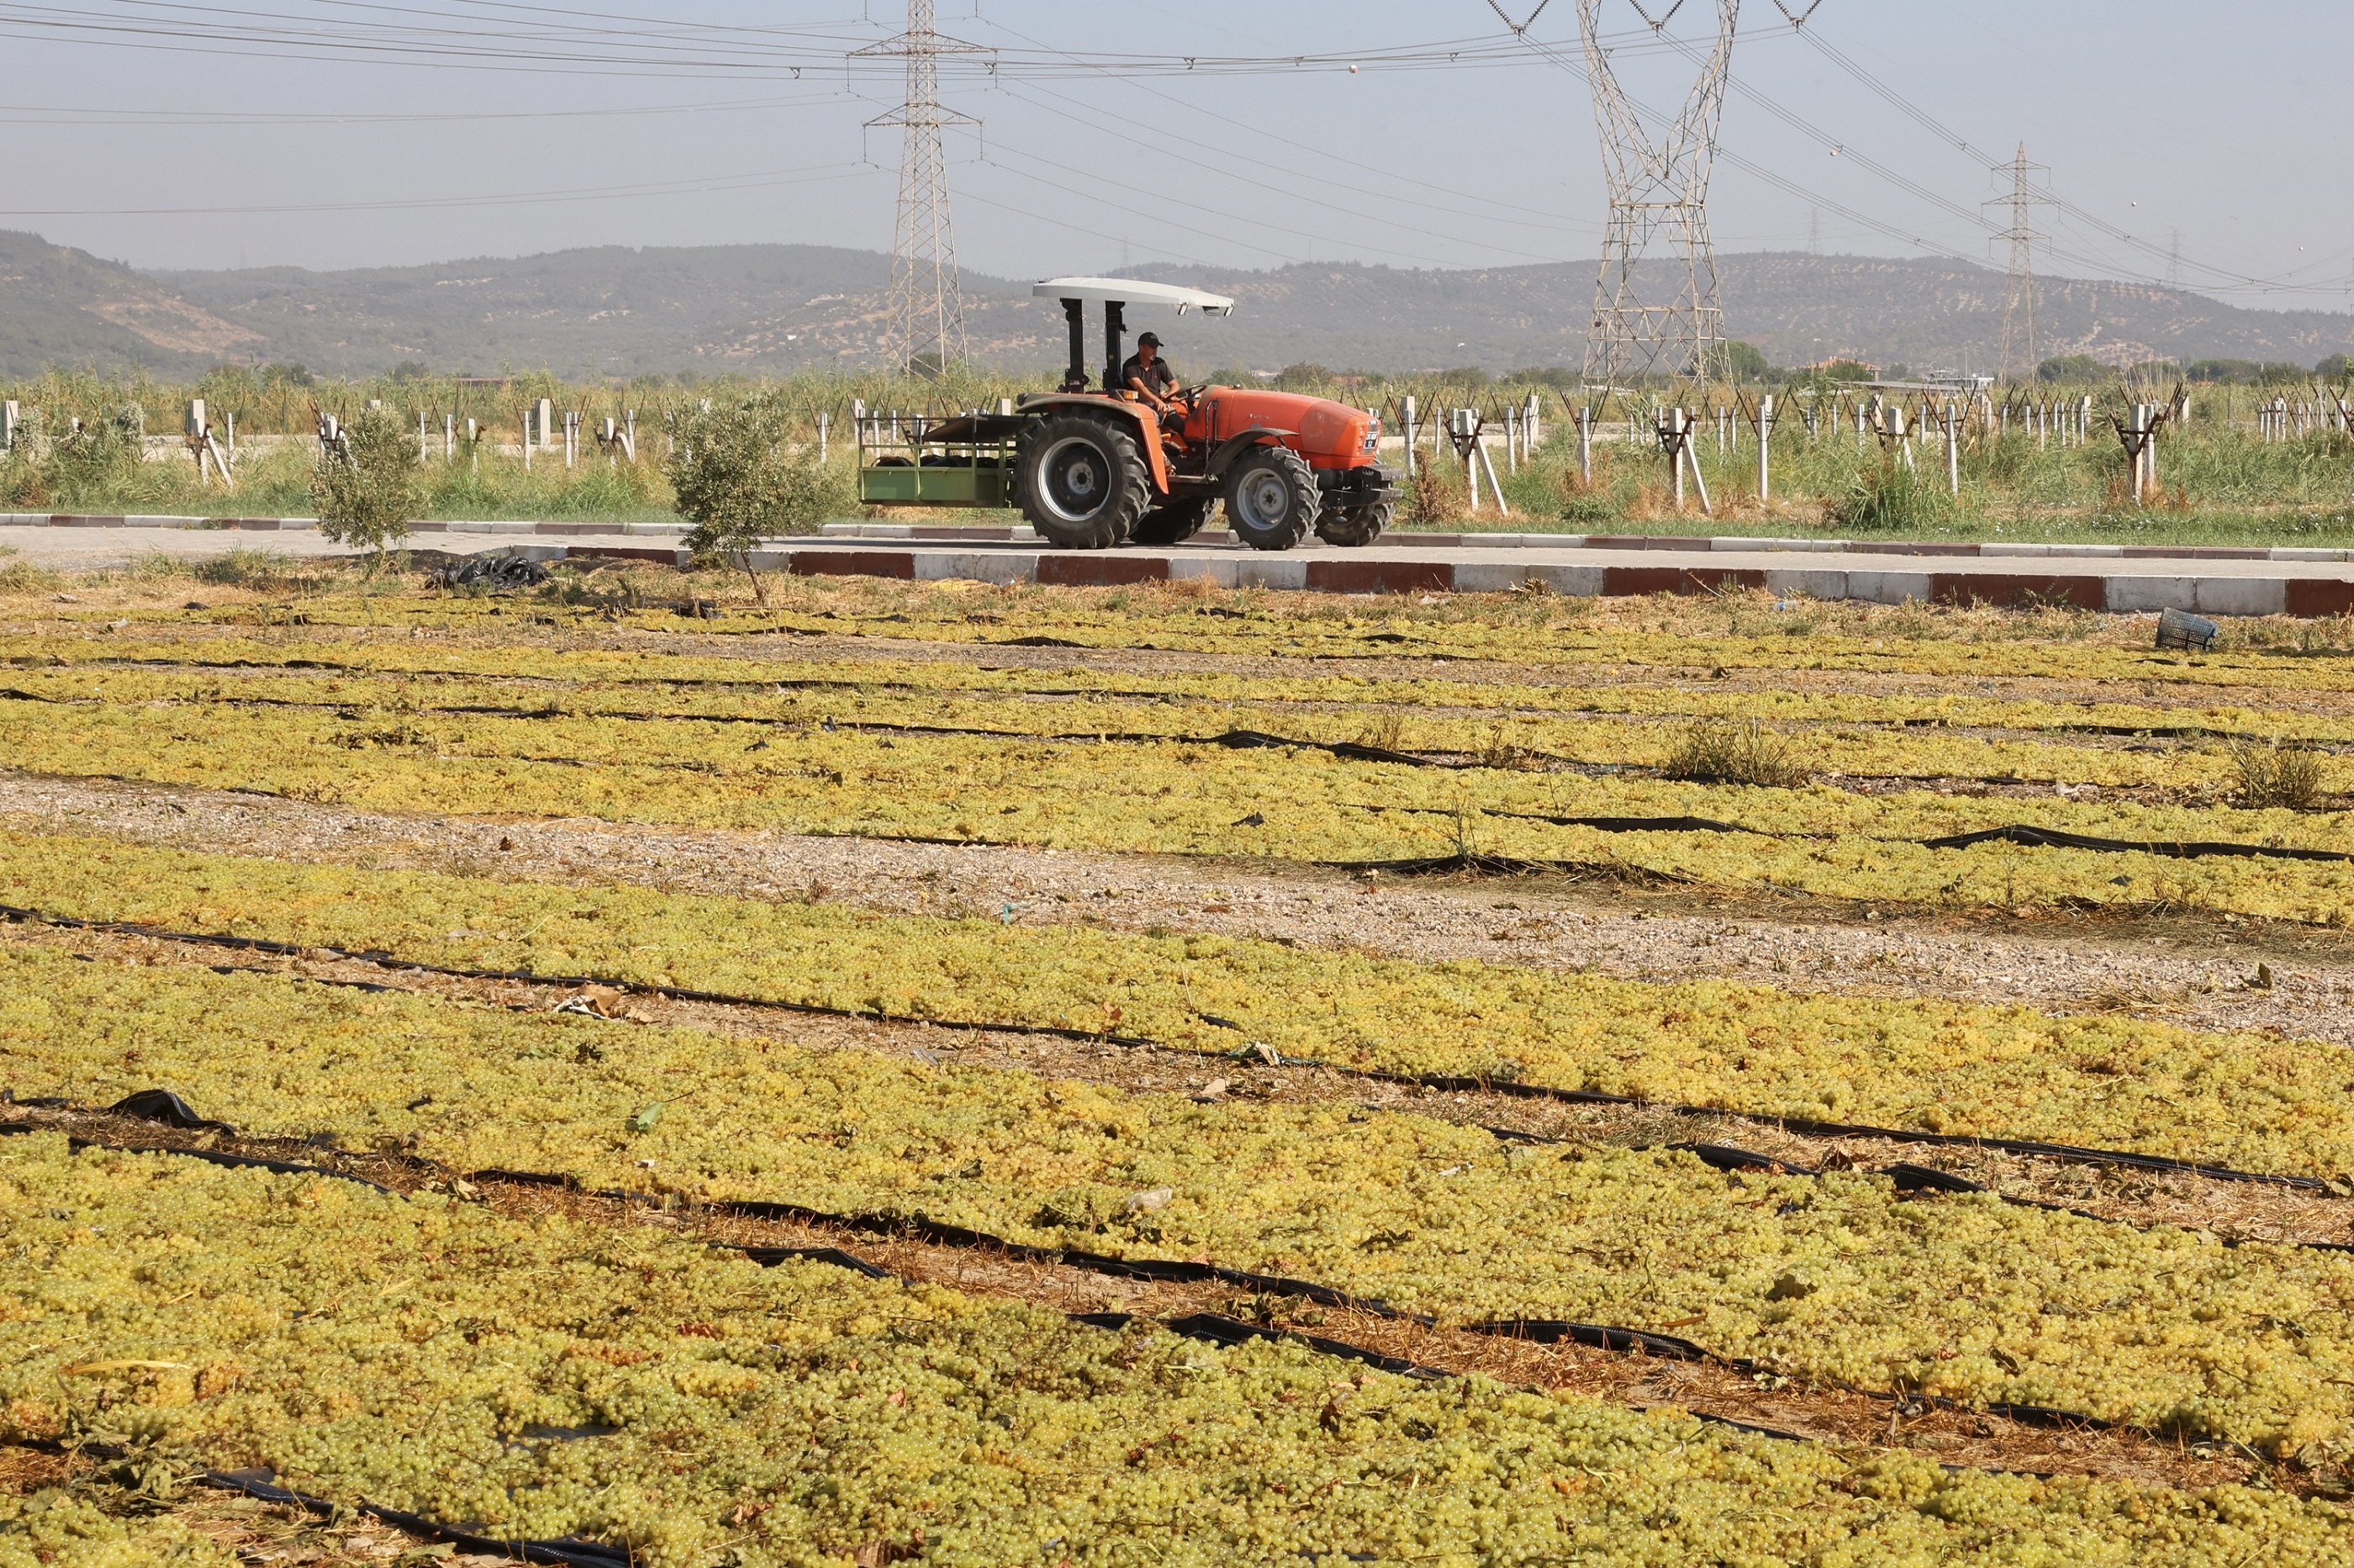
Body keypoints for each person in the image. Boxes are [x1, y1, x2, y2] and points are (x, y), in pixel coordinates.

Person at [1121, 332, 1185, 419]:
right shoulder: (1130, 366)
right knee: (1153, 419)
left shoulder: (1159, 363)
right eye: (1152, 347)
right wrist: (1156, 400)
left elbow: (1175, 385)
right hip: (1138, 407)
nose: (1155, 351)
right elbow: (1140, 388)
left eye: (1156, 348)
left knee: (1178, 420)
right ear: (1141, 348)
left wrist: (1167, 397)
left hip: (1158, 405)